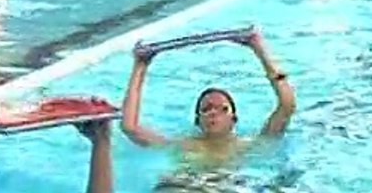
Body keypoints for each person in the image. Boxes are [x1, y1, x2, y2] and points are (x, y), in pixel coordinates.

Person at [120, 30, 296, 162]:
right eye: (206, 109)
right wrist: (140, 66)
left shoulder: (248, 146)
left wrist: (259, 48)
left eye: (223, 109)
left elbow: (287, 106)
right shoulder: (183, 146)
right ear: (198, 121)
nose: (213, 113)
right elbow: (130, 127)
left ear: (234, 119)